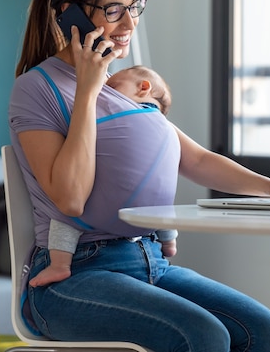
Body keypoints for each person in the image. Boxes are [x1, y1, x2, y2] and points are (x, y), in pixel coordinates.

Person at [9, 0, 270, 352]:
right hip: (74, 276)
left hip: (149, 260)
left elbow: (194, 159)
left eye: (134, 6)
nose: (129, 22)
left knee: (266, 333)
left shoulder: (125, 88)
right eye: (113, 10)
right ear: (70, 13)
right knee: (203, 336)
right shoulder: (37, 88)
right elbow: (69, 198)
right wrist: (88, 89)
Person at [29, 65, 176, 287]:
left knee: (64, 220)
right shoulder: (167, 130)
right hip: (152, 221)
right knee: (162, 202)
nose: (104, 93)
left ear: (143, 88)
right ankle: (170, 243)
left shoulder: (113, 119)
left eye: (113, 87)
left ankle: (59, 265)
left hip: (98, 217)